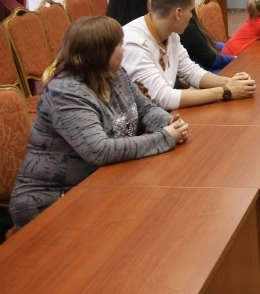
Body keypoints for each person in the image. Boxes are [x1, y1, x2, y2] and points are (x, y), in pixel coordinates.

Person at [9, 17, 189, 229]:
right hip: (53, 199)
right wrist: (165, 137)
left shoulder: (116, 74)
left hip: (100, 184)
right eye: (119, 45)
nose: (123, 50)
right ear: (100, 54)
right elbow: (98, 150)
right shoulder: (66, 93)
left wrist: (169, 122)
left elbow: (145, 109)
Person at [121, 0, 256, 111]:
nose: (191, 16)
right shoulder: (133, 42)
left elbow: (191, 71)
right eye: (190, 11)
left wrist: (232, 83)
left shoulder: (171, 33)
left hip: (167, 114)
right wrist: (226, 91)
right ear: (178, 13)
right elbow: (163, 98)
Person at [162, 0, 234, 73]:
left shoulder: (184, 18)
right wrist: (235, 58)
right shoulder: (182, 25)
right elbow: (210, 60)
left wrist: (231, 46)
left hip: (202, 69)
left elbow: (206, 43)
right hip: (204, 69)